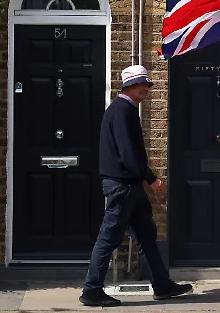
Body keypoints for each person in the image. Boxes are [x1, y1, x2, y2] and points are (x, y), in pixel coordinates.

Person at [80, 65, 193, 307]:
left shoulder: (125, 109)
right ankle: (91, 290)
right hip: (122, 185)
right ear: (128, 86)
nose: (146, 88)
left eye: (147, 84)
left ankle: (162, 285)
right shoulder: (122, 111)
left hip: (130, 185)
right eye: (141, 84)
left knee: (146, 236)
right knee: (109, 237)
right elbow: (129, 153)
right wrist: (150, 178)